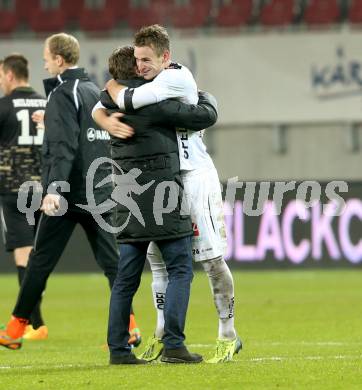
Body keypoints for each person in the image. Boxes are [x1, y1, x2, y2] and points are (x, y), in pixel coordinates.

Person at [105, 24, 241, 363]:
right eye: (136, 60)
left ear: (166, 57)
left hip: (194, 175)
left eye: (147, 60)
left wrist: (107, 94)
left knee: (209, 259)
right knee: (158, 261)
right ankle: (164, 333)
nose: (140, 66)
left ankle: (228, 332)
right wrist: (101, 114)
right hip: (164, 179)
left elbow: (127, 99)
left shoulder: (174, 77)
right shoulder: (151, 79)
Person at [0, 34, 140, 350]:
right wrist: (50, 123)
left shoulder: (64, 93)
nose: (45, 61)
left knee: (39, 263)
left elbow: (64, 146)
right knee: (112, 264)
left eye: (47, 57)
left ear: (59, 60)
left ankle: (15, 327)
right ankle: (129, 327)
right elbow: (92, 138)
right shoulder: (93, 90)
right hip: (99, 191)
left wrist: (53, 190)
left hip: (68, 196)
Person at [0, 54, 48, 340]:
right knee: (39, 256)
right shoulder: (47, 103)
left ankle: (33, 324)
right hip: (46, 189)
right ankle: (35, 322)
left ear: (9, 75)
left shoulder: (4, 106)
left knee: (24, 256)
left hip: (14, 189)